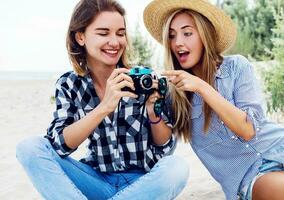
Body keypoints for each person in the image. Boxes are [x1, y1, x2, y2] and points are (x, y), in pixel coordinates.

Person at [16, 0, 189, 199]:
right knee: (29, 148)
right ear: (80, 37)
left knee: (177, 167)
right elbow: (58, 145)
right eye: (103, 33)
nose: (115, 42)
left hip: (143, 183)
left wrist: (153, 111)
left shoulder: (142, 78)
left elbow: (164, 148)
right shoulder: (70, 84)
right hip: (95, 180)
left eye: (121, 33)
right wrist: (104, 107)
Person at [143, 0, 284, 200]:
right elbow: (163, 144)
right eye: (172, 36)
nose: (178, 42)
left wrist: (201, 86)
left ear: (204, 35)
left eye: (187, 33)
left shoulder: (236, 67)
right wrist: (152, 111)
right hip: (249, 178)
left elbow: (248, 129)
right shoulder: (174, 95)